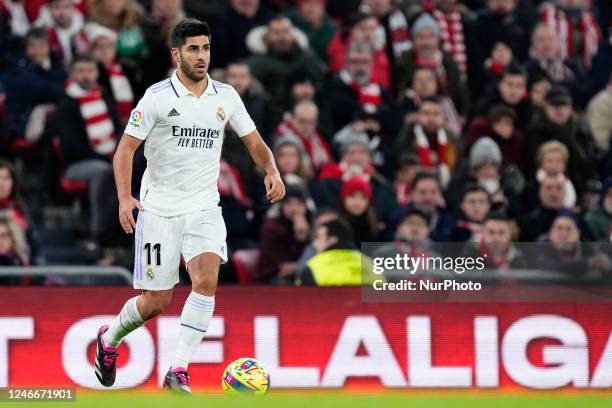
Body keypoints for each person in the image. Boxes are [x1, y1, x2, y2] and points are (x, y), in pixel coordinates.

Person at [94, 19, 285, 393]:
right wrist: (123, 198)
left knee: (207, 280)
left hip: (204, 207)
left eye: (206, 48)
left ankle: (177, 370)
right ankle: (109, 339)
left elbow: (254, 141)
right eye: (194, 49)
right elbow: (125, 150)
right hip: (158, 211)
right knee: (156, 302)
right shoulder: (157, 97)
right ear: (176, 54)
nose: (202, 56)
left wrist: (272, 170)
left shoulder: (225, 95)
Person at [54, 54, 121, 246]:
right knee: (103, 172)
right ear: (72, 74)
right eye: (81, 71)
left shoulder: (105, 96)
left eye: (90, 71)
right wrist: (105, 158)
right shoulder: (67, 104)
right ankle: (98, 232)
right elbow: (71, 147)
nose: (86, 76)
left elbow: (117, 128)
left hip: (108, 158)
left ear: (97, 73)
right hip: (77, 165)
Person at [298, 218, 369, 286]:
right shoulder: (369, 263)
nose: (314, 243)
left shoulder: (313, 267)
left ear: (332, 240)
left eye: (318, 238)